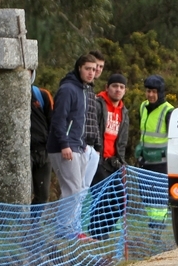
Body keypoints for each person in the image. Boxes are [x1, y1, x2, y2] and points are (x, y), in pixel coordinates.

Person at [47, 53, 98, 241]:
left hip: (78, 145)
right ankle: (64, 230)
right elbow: (59, 119)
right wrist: (64, 144)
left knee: (75, 190)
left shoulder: (84, 90)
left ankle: (68, 228)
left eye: (94, 69)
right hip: (64, 147)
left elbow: (81, 121)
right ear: (79, 68)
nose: (91, 73)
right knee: (74, 189)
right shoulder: (68, 89)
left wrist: (83, 143)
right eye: (87, 69)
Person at [89, 73, 129, 240]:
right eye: (115, 86)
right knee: (101, 198)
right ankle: (95, 234)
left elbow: (122, 140)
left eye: (121, 87)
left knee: (121, 199)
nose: (118, 90)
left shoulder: (124, 111)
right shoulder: (98, 104)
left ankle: (102, 232)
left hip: (115, 162)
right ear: (107, 88)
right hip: (98, 159)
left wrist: (121, 160)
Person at [136, 75, 175, 174]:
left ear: (160, 93)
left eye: (154, 92)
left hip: (160, 164)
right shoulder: (143, 106)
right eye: (148, 91)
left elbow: (174, 140)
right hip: (144, 161)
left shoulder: (168, 111)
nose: (150, 95)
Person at [29, 69, 54, 205]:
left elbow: (53, 121)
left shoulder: (42, 95)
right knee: (25, 193)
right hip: (25, 151)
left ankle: (34, 225)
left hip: (43, 150)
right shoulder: (10, 95)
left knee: (43, 195)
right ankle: (21, 225)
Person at [82, 50, 105, 190]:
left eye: (101, 67)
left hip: (92, 147)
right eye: (95, 66)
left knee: (84, 190)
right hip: (80, 145)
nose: (97, 70)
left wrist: (97, 146)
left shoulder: (91, 89)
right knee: (76, 190)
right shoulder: (80, 87)